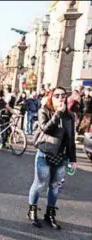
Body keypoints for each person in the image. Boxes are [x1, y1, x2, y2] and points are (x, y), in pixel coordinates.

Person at [29, 87, 77, 229]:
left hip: (61, 157)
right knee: (39, 185)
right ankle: (32, 210)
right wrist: (57, 114)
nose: (61, 98)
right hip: (45, 154)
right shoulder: (44, 111)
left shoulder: (70, 116)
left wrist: (73, 159)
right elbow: (45, 129)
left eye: (64, 95)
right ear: (51, 98)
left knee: (55, 187)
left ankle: (50, 214)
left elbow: (71, 139)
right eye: (57, 95)